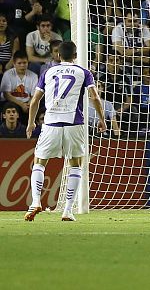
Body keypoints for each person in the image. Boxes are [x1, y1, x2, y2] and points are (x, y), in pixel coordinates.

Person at [24, 41, 106, 221]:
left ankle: (36, 201)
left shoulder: (48, 72)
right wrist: (101, 120)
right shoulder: (83, 72)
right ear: (75, 56)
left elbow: (35, 100)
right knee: (76, 163)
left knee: (39, 162)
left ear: (58, 56)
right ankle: (68, 210)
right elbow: (94, 97)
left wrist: (31, 123)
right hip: (74, 123)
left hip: (51, 122)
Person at [1, 51, 38, 118]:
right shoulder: (8, 74)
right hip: (12, 102)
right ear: (14, 64)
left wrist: (28, 105)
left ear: (28, 63)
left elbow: (34, 96)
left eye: (24, 63)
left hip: (27, 102)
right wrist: (21, 104)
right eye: (19, 63)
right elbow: (6, 95)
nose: (22, 65)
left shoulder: (34, 76)